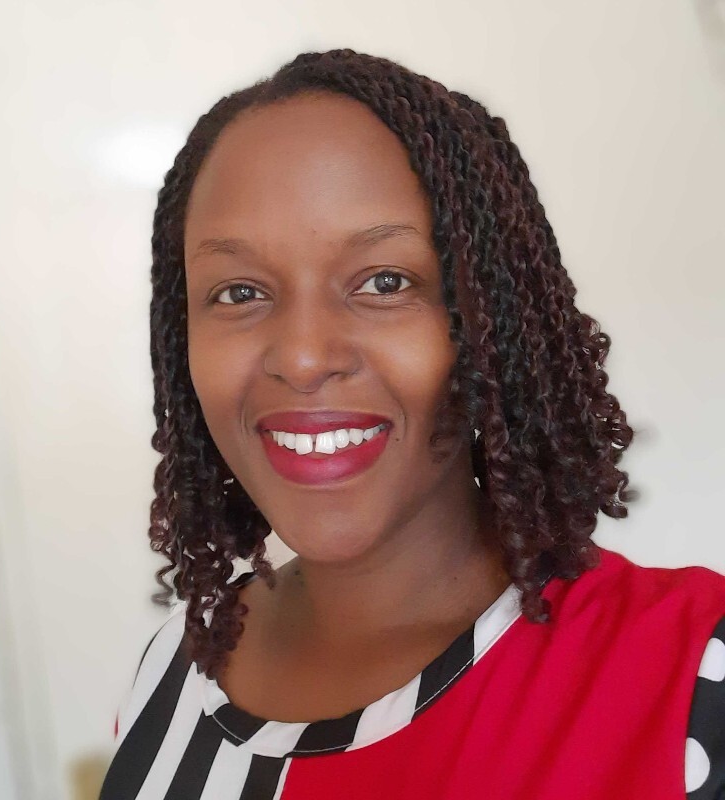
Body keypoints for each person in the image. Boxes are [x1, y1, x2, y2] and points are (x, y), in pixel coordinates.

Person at [98, 49, 725, 799]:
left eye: (385, 282)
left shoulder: (692, 675)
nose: (302, 358)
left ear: (491, 322)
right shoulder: (171, 671)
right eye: (239, 292)